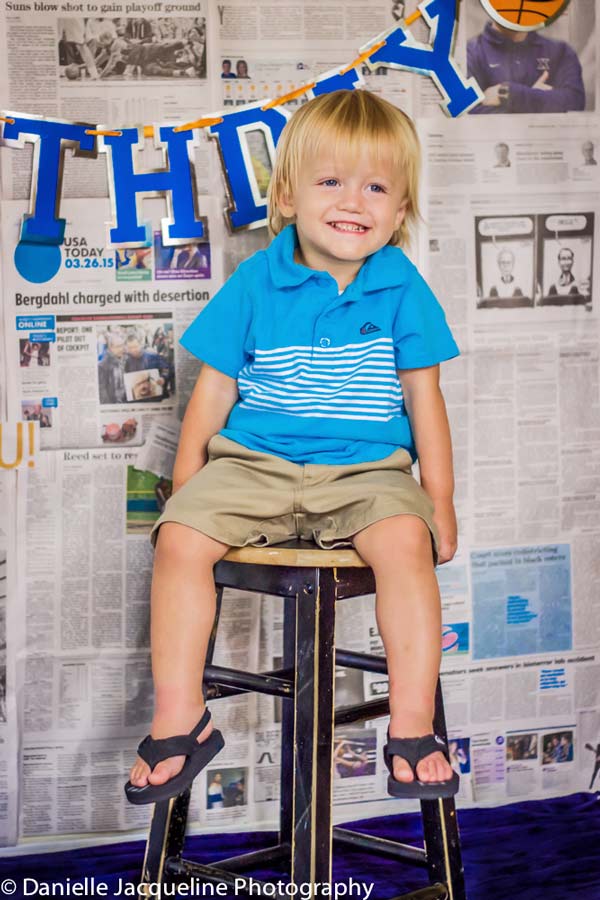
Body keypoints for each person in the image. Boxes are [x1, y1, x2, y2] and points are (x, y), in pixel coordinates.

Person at [125, 89, 460, 805]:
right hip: (255, 465)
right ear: (286, 195)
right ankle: (182, 717)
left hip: (367, 472)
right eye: (331, 181)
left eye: (377, 186)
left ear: (399, 210)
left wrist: (440, 502)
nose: (354, 201)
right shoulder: (254, 282)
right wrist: (187, 483)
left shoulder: (403, 289)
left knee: (405, 542)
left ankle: (412, 722)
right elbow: (211, 395)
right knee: (180, 539)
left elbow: (424, 401)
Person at [467, 19, 585, 114]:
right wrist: (537, 100)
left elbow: (575, 102)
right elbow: (467, 113)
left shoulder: (560, 51)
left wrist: (508, 94)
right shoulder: (469, 53)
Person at [98, 332, 127, 404]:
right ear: (111, 347)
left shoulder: (125, 360)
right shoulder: (102, 366)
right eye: (118, 346)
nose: (122, 349)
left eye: (123, 345)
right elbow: (102, 392)